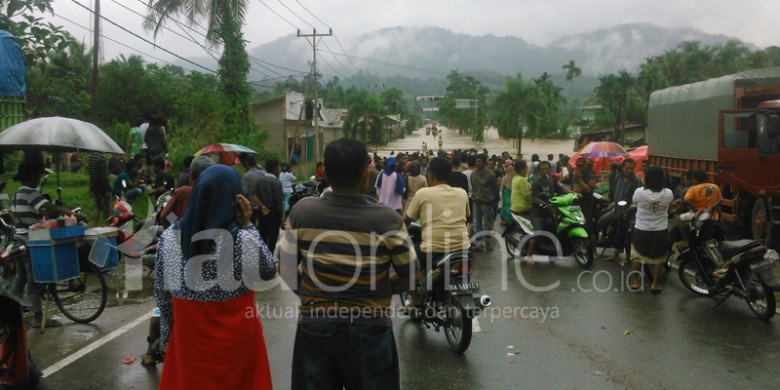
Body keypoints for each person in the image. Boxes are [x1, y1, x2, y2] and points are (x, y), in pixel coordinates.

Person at [280, 138, 417, 390]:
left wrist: (312, 294)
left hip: (315, 327)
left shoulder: (302, 211)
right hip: (371, 329)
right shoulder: (387, 219)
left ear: (326, 173)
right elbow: (410, 274)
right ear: (366, 174)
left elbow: (286, 269)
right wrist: (383, 289)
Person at [155, 164, 276, 389]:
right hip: (236, 343)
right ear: (235, 199)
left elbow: (163, 298)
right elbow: (268, 272)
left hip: (190, 340)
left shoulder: (169, 239)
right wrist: (248, 224)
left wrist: (169, 338)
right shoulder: (242, 239)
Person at [11, 160, 76, 328]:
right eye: (39, 176)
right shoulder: (31, 193)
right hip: (28, 241)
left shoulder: (17, 193)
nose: (40, 179)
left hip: (17, 240)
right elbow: (50, 207)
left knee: (21, 277)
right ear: (33, 176)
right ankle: (38, 318)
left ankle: (12, 308)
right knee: (33, 280)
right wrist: (71, 213)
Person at [404, 156, 469, 304]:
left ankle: (414, 300)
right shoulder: (462, 193)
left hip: (433, 249)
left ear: (430, 175)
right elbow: (466, 216)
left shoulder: (423, 193)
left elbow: (406, 220)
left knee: (407, 261)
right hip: (463, 248)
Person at [628, 166, 673, 293]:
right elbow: (669, 205)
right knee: (659, 257)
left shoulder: (639, 192)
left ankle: (635, 282)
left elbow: (635, 203)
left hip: (641, 229)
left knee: (637, 255)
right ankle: (655, 284)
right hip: (660, 229)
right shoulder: (668, 193)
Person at [598, 158, 643, 263]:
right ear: (623, 168)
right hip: (616, 209)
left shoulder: (636, 181)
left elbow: (637, 200)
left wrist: (629, 211)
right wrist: (611, 204)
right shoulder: (618, 177)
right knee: (602, 220)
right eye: (627, 168)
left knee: (622, 232)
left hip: (628, 213)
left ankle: (624, 256)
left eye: (631, 168)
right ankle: (605, 239)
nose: (629, 170)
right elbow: (615, 194)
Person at [528, 161, 573, 263]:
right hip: (539, 213)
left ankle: (552, 251)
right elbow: (535, 199)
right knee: (537, 233)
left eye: (547, 169)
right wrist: (545, 204)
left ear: (550, 170)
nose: (545, 171)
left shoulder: (551, 180)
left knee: (559, 228)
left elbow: (561, 189)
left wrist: (573, 193)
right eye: (543, 169)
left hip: (551, 210)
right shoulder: (536, 183)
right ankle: (529, 255)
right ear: (539, 171)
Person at [159, 156, 214, 228]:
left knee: (152, 229)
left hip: (181, 233)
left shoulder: (184, 191)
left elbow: (164, 215)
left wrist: (175, 225)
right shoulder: (216, 194)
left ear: (190, 174)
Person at [254, 159, 284, 252]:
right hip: (274, 212)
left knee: (263, 235)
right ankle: (269, 257)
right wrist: (282, 215)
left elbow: (254, 195)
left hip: (262, 212)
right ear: (275, 169)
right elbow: (279, 201)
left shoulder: (259, 181)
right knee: (273, 236)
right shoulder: (276, 182)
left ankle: (262, 256)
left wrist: (262, 205)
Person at [470, 154, 498, 251]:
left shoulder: (491, 174)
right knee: (477, 223)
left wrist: (493, 201)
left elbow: (495, 189)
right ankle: (478, 243)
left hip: (487, 202)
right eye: (476, 161)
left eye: (479, 161)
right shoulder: (473, 174)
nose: (477, 163)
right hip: (476, 202)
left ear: (484, 162)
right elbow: (473, 187)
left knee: (487, 224)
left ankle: (487, 242)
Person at [88, 152, 112, 226]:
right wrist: (107, 187)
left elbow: (90, 172)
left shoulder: (91, 157)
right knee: (106, 209)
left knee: (97, 207)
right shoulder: (101, 159)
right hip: (102, 187)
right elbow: (103, 175)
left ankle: (95, 225)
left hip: (95, 185)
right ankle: (107, 226)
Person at [500, 159, 516, 225]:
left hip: (507, 187)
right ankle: (508, 220)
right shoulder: (512, 169)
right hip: (508, 188)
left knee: (506, 204)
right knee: (508, 204)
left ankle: (505, 219)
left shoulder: (509, 169)